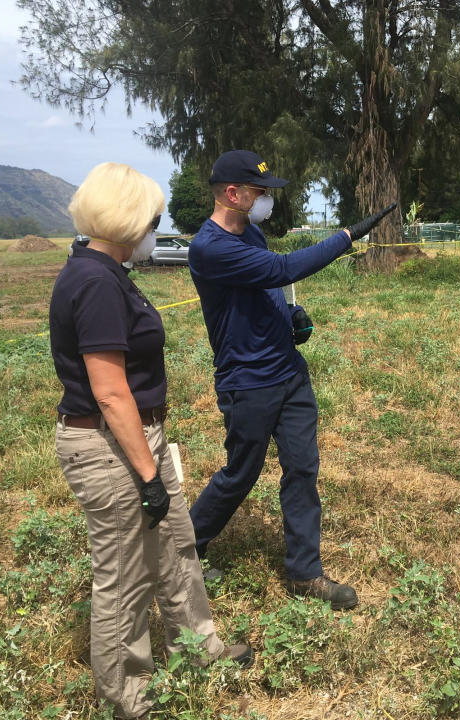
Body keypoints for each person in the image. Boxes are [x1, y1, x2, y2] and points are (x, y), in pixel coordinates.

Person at [50, 162, 251, 720]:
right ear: (128, 219)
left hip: (135, 439)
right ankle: (128, 695)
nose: (156, 229)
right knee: (125, 574)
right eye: (153, 218)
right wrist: (146, 475)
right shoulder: (93, 281)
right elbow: (110, 390)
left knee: (177, 546)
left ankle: (197, 649)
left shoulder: (105, 270)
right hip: (111, 447)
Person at [187, 149, 395, 611]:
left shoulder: (252, 232)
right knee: (242, 472)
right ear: (233, 194)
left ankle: (305, 573)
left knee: (302, 468)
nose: (266, 200)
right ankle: (186, 550)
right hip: (249, 381)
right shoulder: (210, 247)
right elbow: (283, 269)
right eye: (260, 192)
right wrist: (347, 235)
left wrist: (289, 314)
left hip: (288, 372)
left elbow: (270, 286)